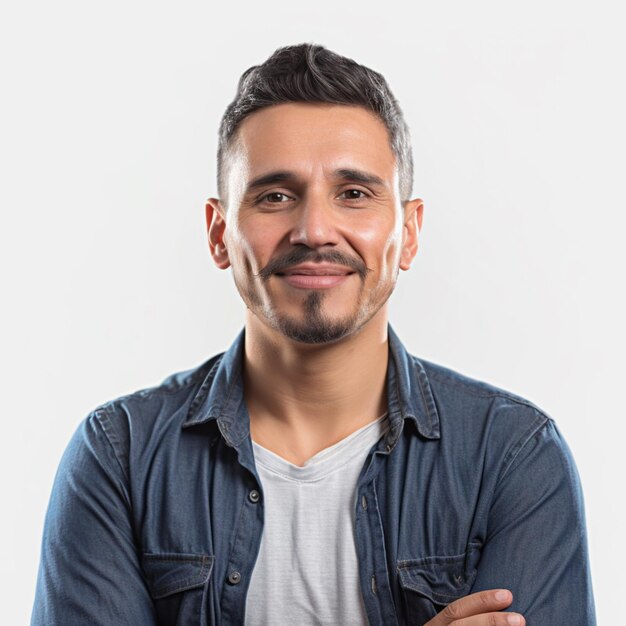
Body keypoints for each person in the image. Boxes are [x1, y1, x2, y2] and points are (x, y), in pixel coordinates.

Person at [31, 44, 596, 625]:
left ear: (411, 232)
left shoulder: (511, 456)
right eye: (275, 195)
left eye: (354, 194)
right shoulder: (118, 458)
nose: (315, 229)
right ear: (219, 233)